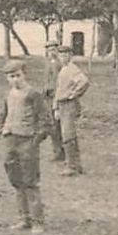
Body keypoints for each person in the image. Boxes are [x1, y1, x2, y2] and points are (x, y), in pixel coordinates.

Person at [0, 59, 52, 232]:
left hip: (27, 141)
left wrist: (35, 140)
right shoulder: (9, 94)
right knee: (16, 180)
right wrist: (2, 130)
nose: (14, 80)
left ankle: (37, 221)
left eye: (17, 75)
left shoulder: (33, 94)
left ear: (24, 74)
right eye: (11, 77)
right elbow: (4, 114)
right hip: (10, 139)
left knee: (30, 181)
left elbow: (45, 120)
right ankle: (23, 218)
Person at [49, 42, 92, 175]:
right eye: (61, 54)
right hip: (61, 104)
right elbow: (59, 89)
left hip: (69, 104)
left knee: (68, 134)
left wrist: (73, 94)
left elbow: (84, 81)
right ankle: (74, 164)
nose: (63, 57)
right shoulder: (63, 69)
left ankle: (72, 166)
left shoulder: (72, 68)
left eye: (66, 54)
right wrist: (55, 107)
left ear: (71, 56)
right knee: (65, 134)